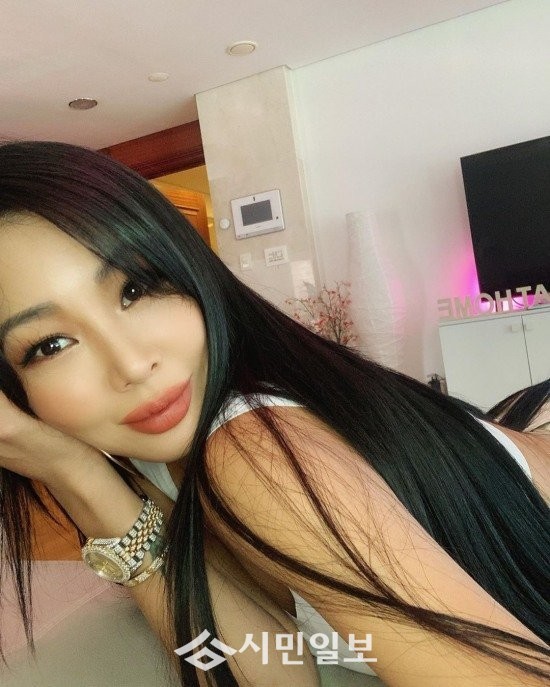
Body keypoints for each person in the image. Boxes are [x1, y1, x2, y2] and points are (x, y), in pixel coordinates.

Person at [0, 140, 548, 687]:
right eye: (50, 345)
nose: (132, 365)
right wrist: (76, 473)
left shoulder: (252, 448)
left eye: (135, 289)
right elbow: (270, 667)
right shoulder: (150, 448)